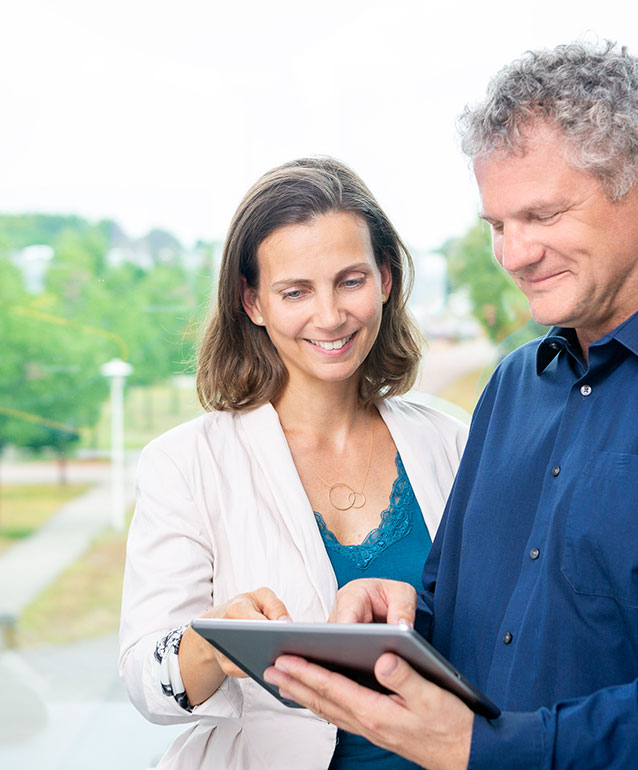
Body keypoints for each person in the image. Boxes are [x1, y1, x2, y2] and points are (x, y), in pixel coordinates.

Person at [262, 41, 638, 769]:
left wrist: (493, 750)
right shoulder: (511, 387)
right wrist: (400, 612)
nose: (514, 254)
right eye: (497, 225)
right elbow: (458, 610)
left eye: (543, 214)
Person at [118, 156, 468, 770]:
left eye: (351, 280)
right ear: (253, 302)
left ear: (386, 279)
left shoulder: (455, 441)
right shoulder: (184, 463)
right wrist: (212, 641)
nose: (330, 316)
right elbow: (147, 685)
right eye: (296, 291)